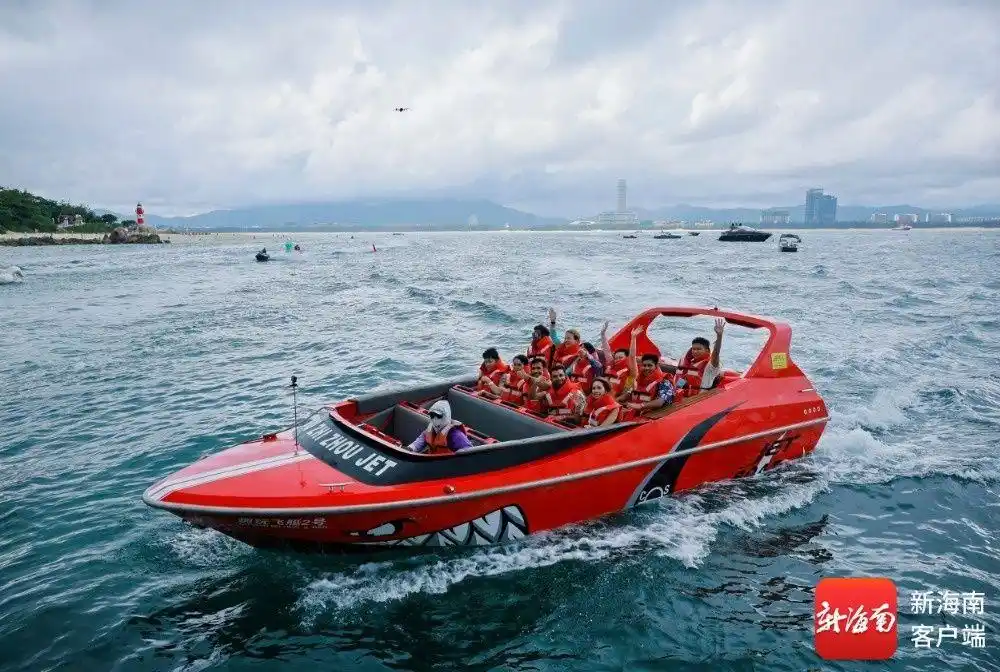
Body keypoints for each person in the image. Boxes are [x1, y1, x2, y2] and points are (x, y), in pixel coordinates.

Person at [619, 326, 671, 420]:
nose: (646, 368)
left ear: (656, 366)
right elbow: (629, 393)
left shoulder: (664, 382)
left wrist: (640, 406)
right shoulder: (638, 379)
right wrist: (615, 401)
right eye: (644, 365)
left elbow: (660, 401)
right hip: (632, 412)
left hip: (648, 415)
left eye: (649, 365)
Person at [672, 318, 726, 400]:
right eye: (693, 349)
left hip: (698, 400)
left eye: (699, 349)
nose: (695, 351)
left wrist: (719, 336)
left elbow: (716, 352)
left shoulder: (710, 366)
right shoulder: (688, 362)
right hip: (682, 397)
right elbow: (682, 379)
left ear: (707, 350)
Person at [406, 400, 473, 454]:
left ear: (446, 416)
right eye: (432, 415)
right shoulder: (429, 430)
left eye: (439, 416)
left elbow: (468, 454)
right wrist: (410, 449)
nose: (435, 419)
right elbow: (419, 442)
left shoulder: (456, 435)